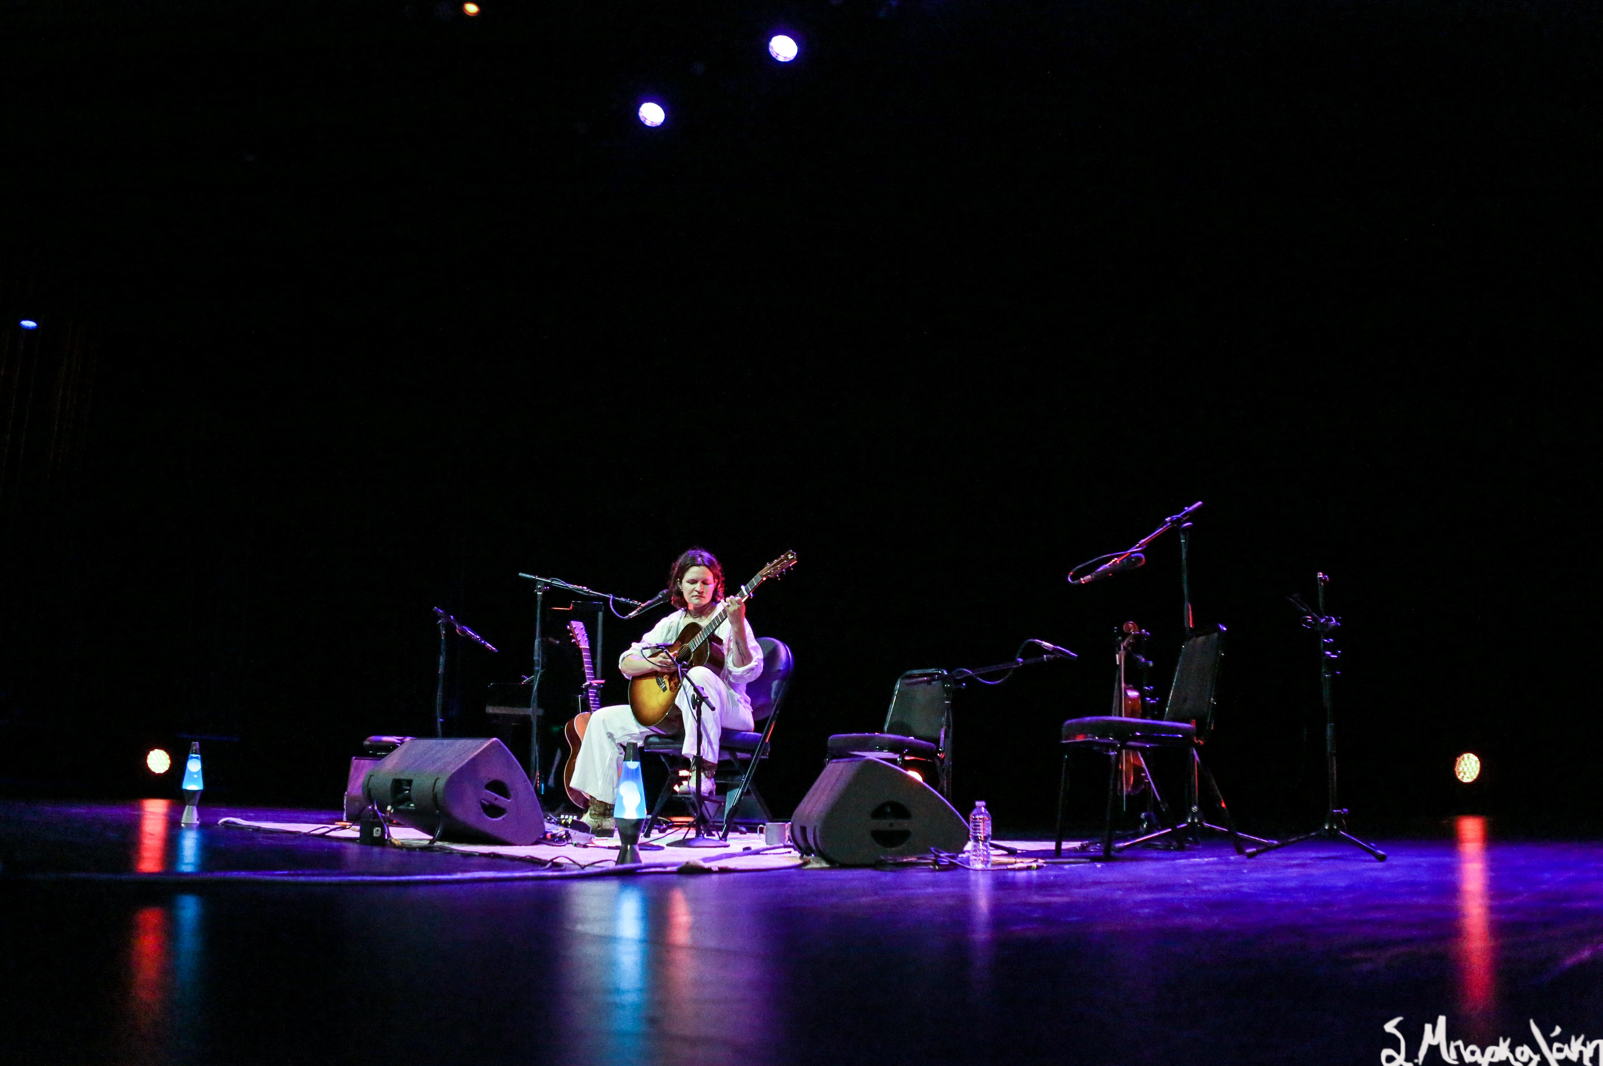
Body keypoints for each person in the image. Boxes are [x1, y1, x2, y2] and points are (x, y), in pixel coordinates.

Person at [567, 548, 764, 836]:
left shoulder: (729, 618)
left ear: (716, 585)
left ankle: (703, 771)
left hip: (729, 711)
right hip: (678, 715)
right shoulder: (673, 623)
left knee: (698, 674)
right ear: (679, 585)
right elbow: (626, 662)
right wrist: (654, 662)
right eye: (692, 582)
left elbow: (748, 672)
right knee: (603, 720)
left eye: (706, 582)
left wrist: (737, 626)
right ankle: (601, 812)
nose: (699, 588)